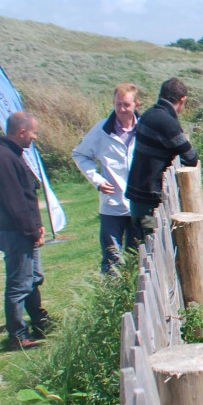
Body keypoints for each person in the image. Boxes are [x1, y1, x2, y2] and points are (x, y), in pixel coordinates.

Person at [0, 110, 50, 349]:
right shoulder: (3, 158)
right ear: (21, 131)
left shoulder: (13, 154)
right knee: (19, 284)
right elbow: (15, 202)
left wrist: (37, 226)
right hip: (16, 232)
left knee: (33, 278)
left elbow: (26, 195)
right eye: (33, 134)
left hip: (24, 230)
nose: (34, 138)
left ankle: (39, 322)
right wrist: (32, 231)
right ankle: (17, 334)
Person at [72, 82, 140, 273]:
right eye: (118, 104)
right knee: (112, 260)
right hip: (112, 206)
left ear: (137, 105)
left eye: (126, 104)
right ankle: (112, 299)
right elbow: (80, 154)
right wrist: (97, 180)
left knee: (137, 258)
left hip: (138, 205)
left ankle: (133, 299)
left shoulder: (144, 130)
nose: (121, 109)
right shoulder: (102, 130)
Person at [125, 77, 198, 235]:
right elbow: (191, 157)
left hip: (137, 197)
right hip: (149, 203)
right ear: (182, 100)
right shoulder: (166, 122)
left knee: (141, 245)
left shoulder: (148, 115)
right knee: (150, 237)